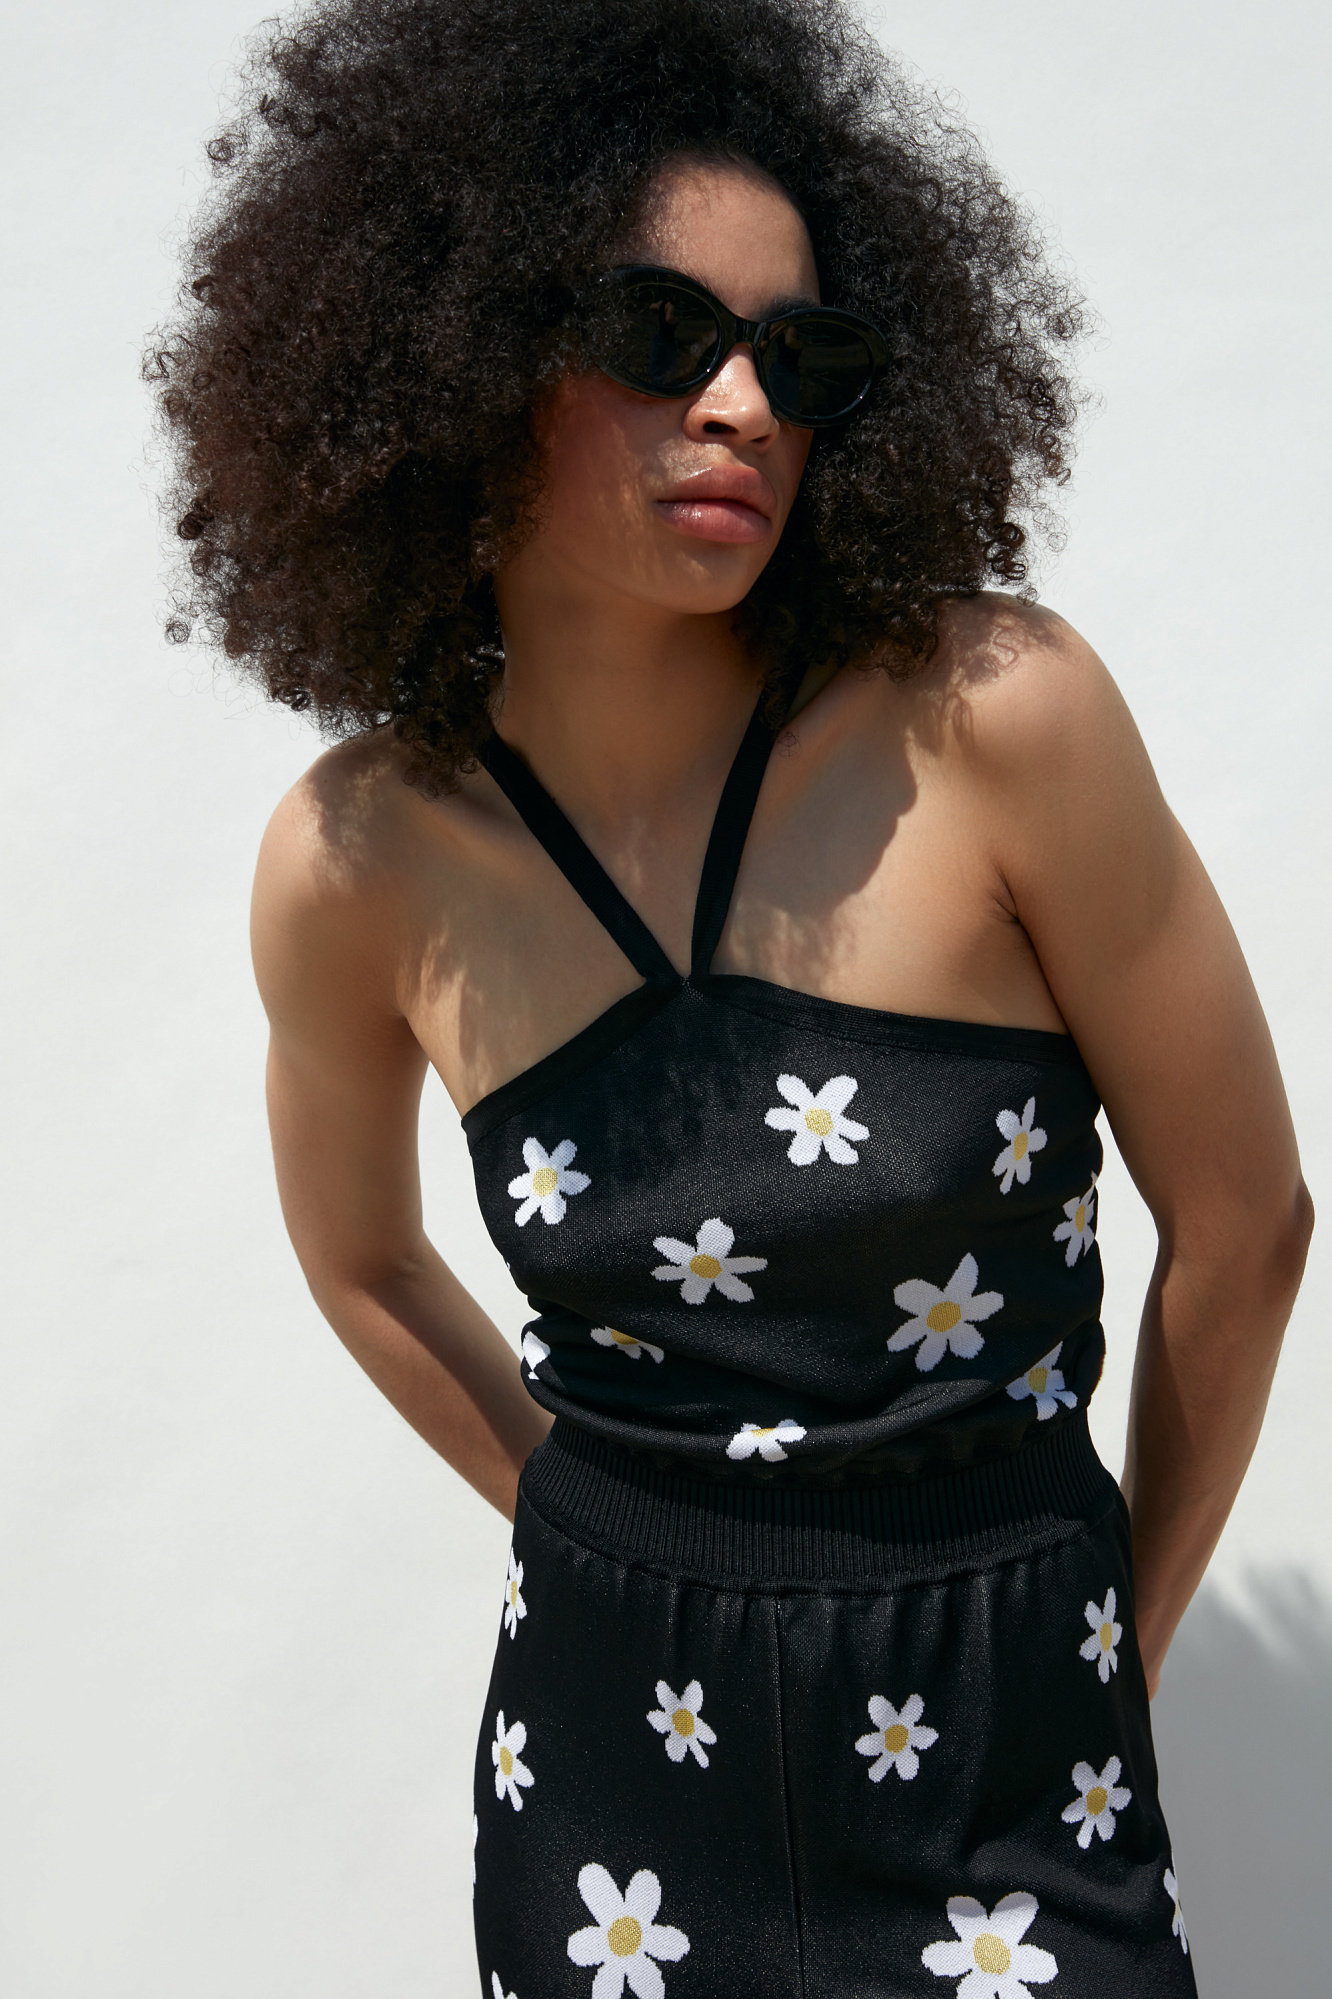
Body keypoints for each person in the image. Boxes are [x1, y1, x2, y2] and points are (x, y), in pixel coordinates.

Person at [150, 0, 1311, 1990]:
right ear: (469, 348)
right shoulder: (357, 859)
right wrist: (610, 1536)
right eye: (661, 333)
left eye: (801, 355)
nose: (747, 404)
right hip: (617, 1774)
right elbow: (362, 1262)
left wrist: (1097, 1643)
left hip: (1008, 1755)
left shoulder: (993, 722)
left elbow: (1248, 1226)